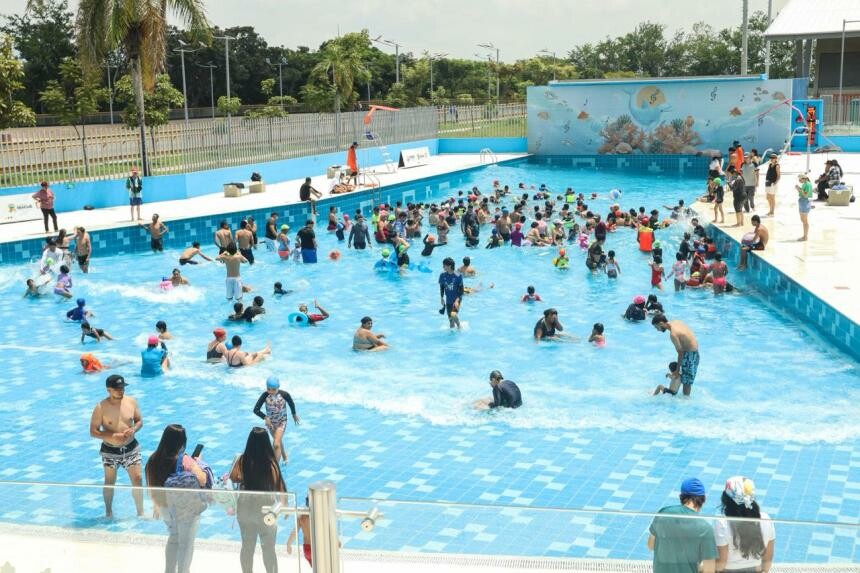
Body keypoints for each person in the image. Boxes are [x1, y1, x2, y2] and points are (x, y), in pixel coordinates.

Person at [145, 423, 208, 573]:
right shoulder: (185, 460)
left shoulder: (153, 460)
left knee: (174, 538)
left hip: (165, 507)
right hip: (185, 509)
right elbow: (203, 479)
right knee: (186, 544)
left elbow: (151, 487)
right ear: (182, 443)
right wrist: (198, 463)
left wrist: (156, 505)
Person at [230, 427, 286, 573]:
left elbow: (233, 477)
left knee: (247, 548)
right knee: (268, 549)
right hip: (265, 510)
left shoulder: (242, 460)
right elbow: (278, 485)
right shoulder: (271, 464)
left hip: (245, 509)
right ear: (266, 443)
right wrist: (282, 507)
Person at [89, 374, 144, 518]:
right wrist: (113, 436)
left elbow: (139, 421)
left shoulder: (131, 402)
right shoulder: (101, 407)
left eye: (122, 388)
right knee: (109, 482)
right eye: (117, 389)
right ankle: (108, 512)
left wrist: (133, 429)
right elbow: (93, 432)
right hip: (110, 450)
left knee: (138, 478)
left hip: (131, 447)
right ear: (109, 390)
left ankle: (140, 512)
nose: (121, 391)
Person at [647, 477, 717, 573]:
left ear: (681, 496)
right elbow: (709, 570)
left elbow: (650, 545)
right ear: (703, 499)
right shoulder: (705, 528)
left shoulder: (664, 513)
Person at [716, 477, 775, 573]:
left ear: (726, 499)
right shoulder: (766, 519)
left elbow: (721, 565)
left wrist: (702, 567)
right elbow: (767, 562)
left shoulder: (722, 523)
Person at [253, 376, 300, 464]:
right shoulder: (265, 395)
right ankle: (285, 456)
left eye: (273, 389)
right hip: (271, 423)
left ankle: (275, 467)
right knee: (277, 441)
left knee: (276, 444)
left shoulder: (284, 394)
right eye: (268, 389)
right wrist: (265, 417)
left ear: (278, 387)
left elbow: (291, 403)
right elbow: (256, 409)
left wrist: (293, 414)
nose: (271, 391)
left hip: (281, 422)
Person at [652, 314, 699, 396]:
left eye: (657, 327)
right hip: (695, 353)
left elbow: (681, 353)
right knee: (687, 380)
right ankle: (685, 398)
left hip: (689, 355)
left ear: (661, 323)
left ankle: (685, 401)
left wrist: (677, 371)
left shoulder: (673, 334)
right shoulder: (676, 322)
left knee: (687, 383)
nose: (657, 330)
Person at [439, 257, 464, 329]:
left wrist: (457, 301)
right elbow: (442, 287)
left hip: (457, 299)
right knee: (451, 322)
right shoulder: (442, 275)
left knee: (453, 314)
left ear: (449, 266)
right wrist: (441, 297)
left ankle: (459, 326)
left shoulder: (458, 275)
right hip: (448, 300)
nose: (443, 267)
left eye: (444, 265)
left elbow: (461, 290)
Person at [796, 173, 813, 242]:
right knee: (803, 220)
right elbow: (803, 192)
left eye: (800, 179)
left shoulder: (807, 184)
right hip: (803, 201)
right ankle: (805, 236)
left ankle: (805, 236)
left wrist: (798, 189)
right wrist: (799, 189)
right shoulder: (805, 184)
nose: (799, 180)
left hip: (804, 201)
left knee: (805, 221)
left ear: (804, 178)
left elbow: (805, 194)